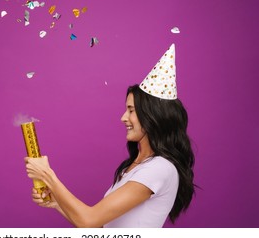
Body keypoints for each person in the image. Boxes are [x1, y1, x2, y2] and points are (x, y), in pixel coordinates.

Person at [24, 44, 195, 227]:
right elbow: (99, 228)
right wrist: (58, 204)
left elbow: (89, 220)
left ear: (153, 115)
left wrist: (47, 175)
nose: (123, 118)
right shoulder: (132, 168)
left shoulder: (159, 168)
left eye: (131, 110)